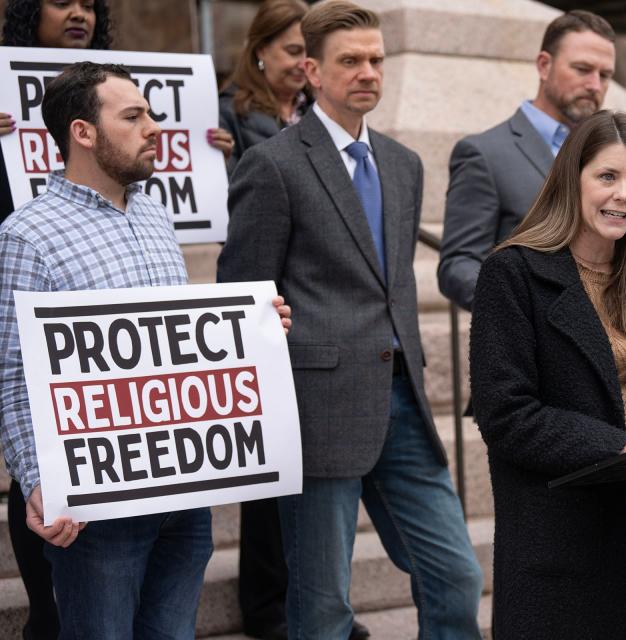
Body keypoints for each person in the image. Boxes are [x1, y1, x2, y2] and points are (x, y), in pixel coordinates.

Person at [217, 2, 484, 638]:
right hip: (317, 407)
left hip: (404, 401)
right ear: (310, 70)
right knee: (322, 602)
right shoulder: (274, 163)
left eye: (376, 60)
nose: (368, 72)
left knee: (456, 575)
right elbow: (243, 291)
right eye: (350, 61)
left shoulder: (403, 163)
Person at [0, 61, 291, 640]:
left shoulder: (158, 216)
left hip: (184, 496)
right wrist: (37, 480)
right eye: (133, 116)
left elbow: (169, 343)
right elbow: (14, 376)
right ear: (83, 133)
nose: (154, 127)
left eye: (152, 113)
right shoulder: (26, 234)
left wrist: (250, 332)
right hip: (98, 508)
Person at [469, 110, 626, 640]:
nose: (624, 195)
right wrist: (620, 448)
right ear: (571, 179)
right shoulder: (512, 274)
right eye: (607, 177)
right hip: (561, 543)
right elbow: (507, 414)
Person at [219, 3, 367, 639]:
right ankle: (269, 604)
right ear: (260, 53)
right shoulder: (231, 117)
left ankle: (314, 606)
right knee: (268, 475)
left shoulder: (320, 119)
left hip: (316, 316)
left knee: (305, 487)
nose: (297, 64)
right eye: (287, 51)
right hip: (267, 302)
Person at [438, 10, 616, 311]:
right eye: (583, 69)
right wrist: (521, 310)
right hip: (528, 349)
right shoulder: (485, 153)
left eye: (605, 75)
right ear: (544, 66)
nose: (595, 85)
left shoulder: (610, 154)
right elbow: (458, 266)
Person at [0, 0, 235, 225]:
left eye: (88, 6)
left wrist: (205, 158)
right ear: (31, 12)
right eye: (62, 4)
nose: (78, 14)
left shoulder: (120, 82)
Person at [219, 0, 312, 175]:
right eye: (293, 51)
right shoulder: (228, 114)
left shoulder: (321, 108)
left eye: (310, 53)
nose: (304, 63)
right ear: (261, 50)